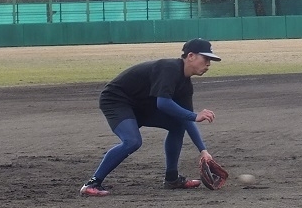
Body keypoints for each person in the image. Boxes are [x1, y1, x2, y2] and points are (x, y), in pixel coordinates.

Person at [79, 38, 222, 196]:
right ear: (191, 56)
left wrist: (203, 151)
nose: (208, 64)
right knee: (132, 141)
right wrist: (195, 116)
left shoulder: (185, 85)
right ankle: (92, 184)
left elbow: (185, 119)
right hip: (116, 100)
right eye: (206, 58)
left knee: (178, 125)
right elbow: (163, 103)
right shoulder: (170, 68)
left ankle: (172, 179)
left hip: (142, 105)